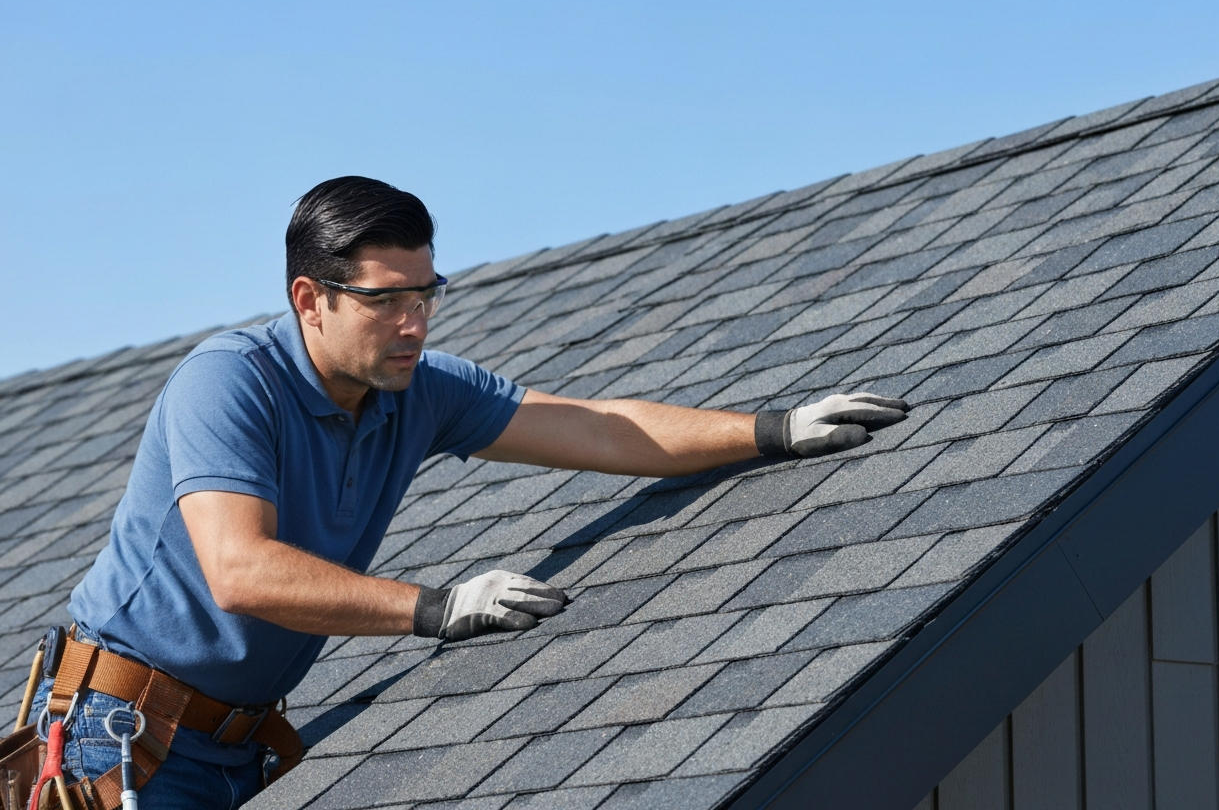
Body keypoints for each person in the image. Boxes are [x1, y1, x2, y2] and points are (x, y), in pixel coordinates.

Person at [26, 176, 909, 809]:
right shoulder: (227, 383)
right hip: (120, 734)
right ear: (310, 299)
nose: (414, 322)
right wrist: (441, 606)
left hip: (236, 747)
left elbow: (599, 428)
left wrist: (774, 429)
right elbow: (241, 570)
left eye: (427, 293)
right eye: (386, 300)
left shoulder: (417, 389)